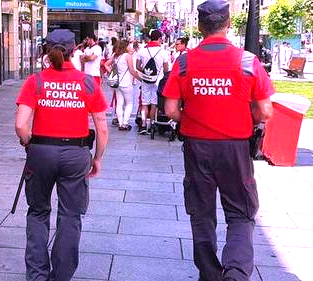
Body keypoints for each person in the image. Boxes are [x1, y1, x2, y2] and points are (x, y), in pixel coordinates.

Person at [163, 1, 274, 280]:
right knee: (240, 212)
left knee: (201, 213)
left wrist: (191, 118)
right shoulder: (248, 61)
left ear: (200, 27)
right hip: (236, 148)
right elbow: (266, 111)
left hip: (197, 147)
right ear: (227, 24)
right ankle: (235, 273)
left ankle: (210, 273)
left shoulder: (185, 62)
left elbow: (170, 110)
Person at [15, 29, 108, 281]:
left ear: (46, 51)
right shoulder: (87, 82)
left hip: (41, 152)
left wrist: (28, 144)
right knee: (70, 216)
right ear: (74, 50)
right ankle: (62, 275)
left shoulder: (35, 81)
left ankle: (36, 275)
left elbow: (21, 124)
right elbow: (101, 125)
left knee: (37, 212)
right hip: (76, 154)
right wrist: (97, 157)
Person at [136, 29, 169, 134]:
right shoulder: (163, 51)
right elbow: (166, 69)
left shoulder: (142, 50)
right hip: (157, 80)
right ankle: (152, 124)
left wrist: (146, 72)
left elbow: (137, 66)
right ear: (159, 39)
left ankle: (144, 125)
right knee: (154, 103)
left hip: (146, 79)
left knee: (145, 103)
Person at [105, 39, 140, 130]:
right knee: (129, 103)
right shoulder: (127, 56)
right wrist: (140, 78)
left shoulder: (115, 55)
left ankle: (120, 123)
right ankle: (125, 123)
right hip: (126, 83)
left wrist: (112, 73)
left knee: (119, 103)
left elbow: (106, 64)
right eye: (129, 45)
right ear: (125, 46)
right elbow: (132, 71)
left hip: (117, 83)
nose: (130, 47)